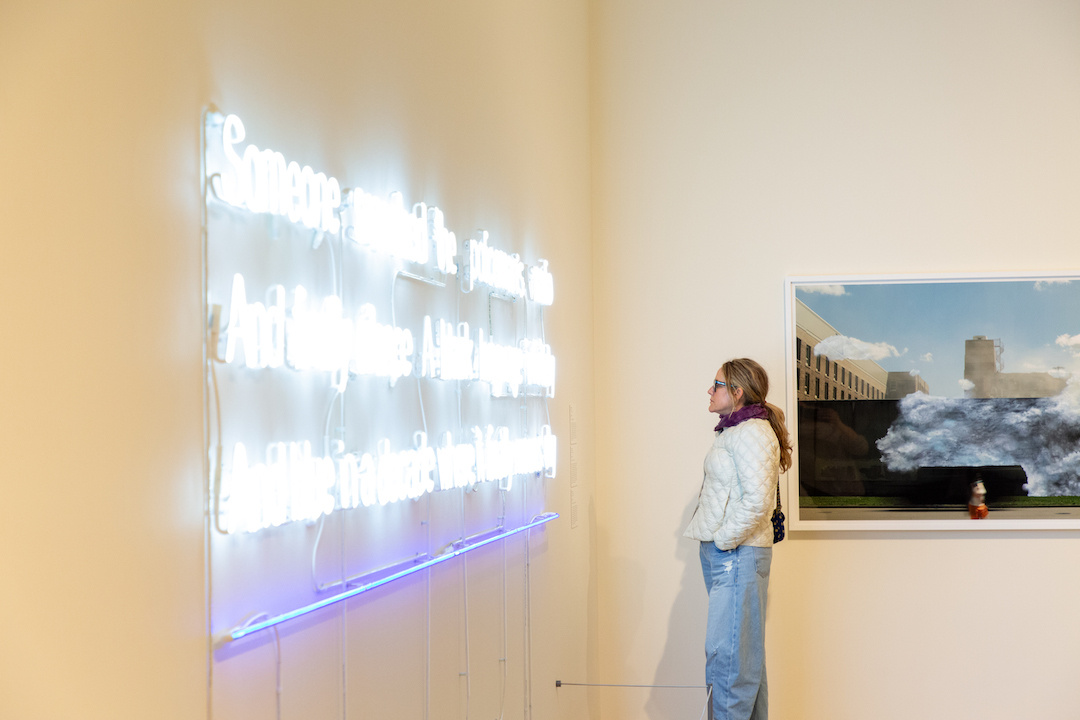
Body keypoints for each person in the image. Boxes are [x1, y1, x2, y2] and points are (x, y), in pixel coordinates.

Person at [684, 358, 792, 720]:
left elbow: (758, 502)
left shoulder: (752, 433)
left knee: (730, 663)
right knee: (740, 660)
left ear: (737, 392)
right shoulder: (734, 431)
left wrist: (723, 541)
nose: (710, 391)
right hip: (731, 555)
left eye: (716, 384)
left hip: (736, 554)